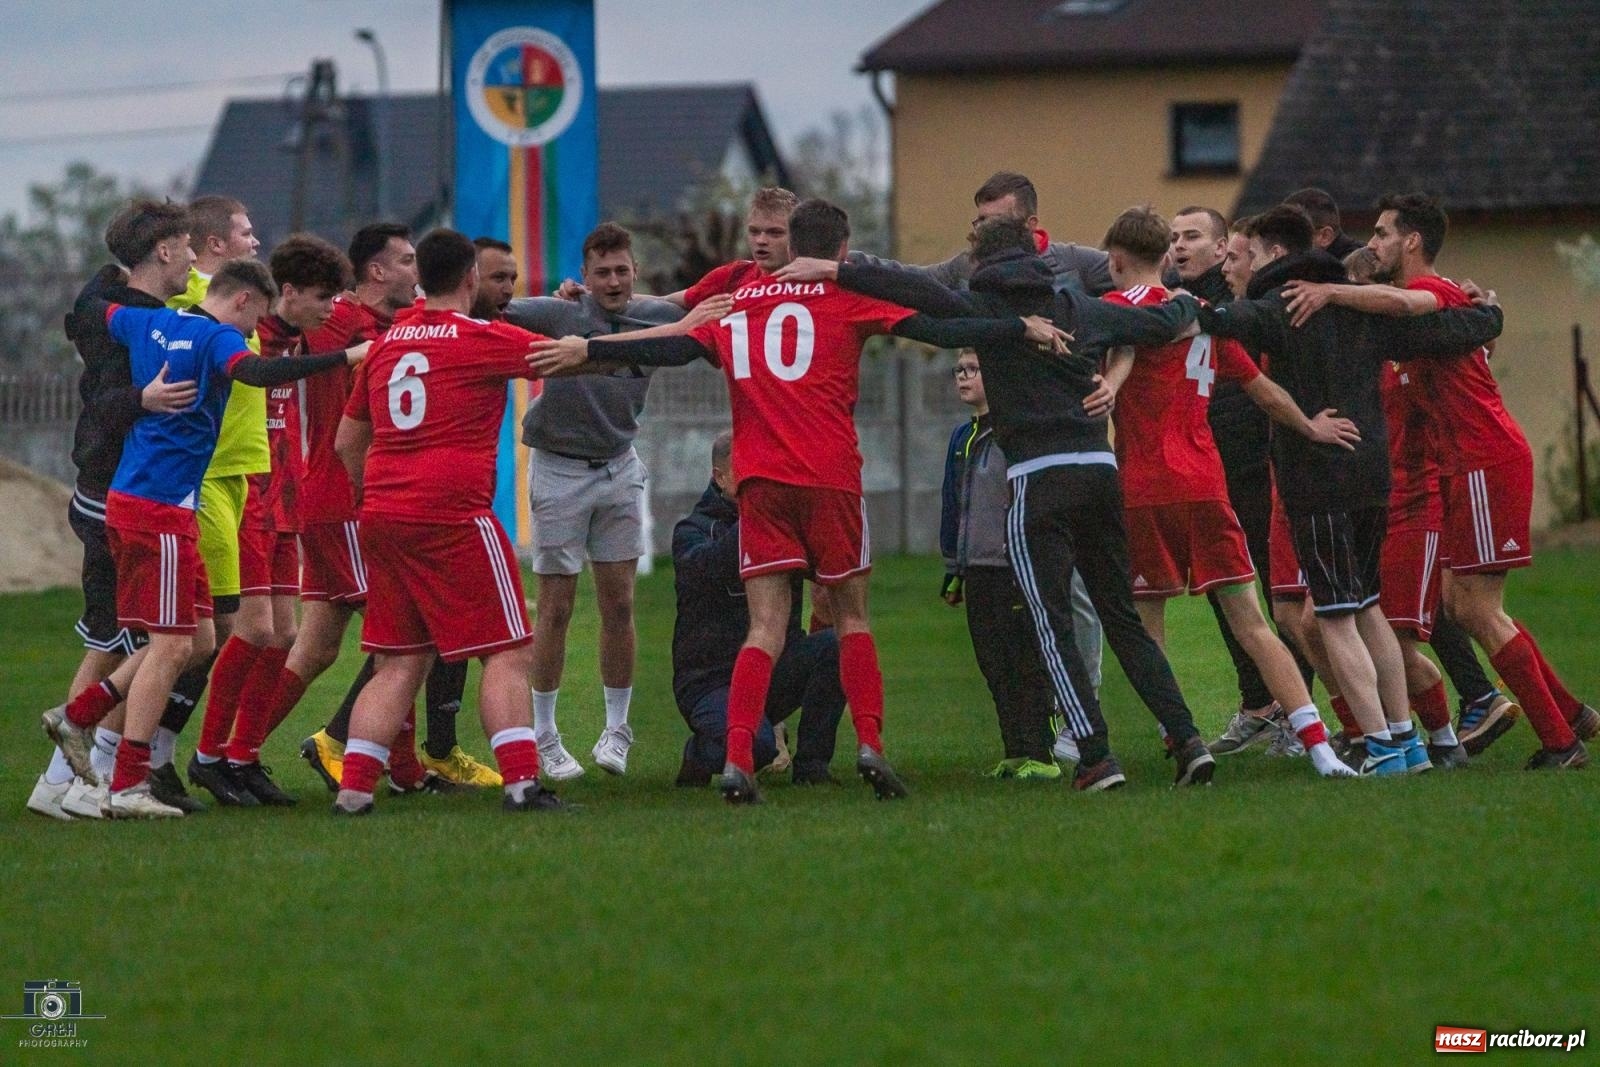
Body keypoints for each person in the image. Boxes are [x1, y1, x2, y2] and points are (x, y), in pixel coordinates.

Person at [530, 199, 1067, 803]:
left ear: (790, 242)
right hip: (830, 477)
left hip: (760, 484)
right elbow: (943, 328)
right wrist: (1019, 327)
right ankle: (870, 745)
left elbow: (671, 346)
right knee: (852, 617)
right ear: (840, 252)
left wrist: (591, 349)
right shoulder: (848, 295)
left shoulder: (741, 304)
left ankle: (737, 759)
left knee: (764, 626)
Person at [775, 216, 1217, 792]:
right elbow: (1157, 323)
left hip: (1038, 477)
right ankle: (1188, 740)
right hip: (1100, 472)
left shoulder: (985, 312)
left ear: (983, 262)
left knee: (1050, 619)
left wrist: (838, 269)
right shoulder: (1076, 304)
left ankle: (1096, 757)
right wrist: (1188, 305)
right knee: (1122, 617)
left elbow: (918, 292)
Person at [1278, 194, 1595, 768]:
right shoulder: (1437, 309)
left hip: (1484, 458)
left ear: (1412, 241)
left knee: (1475, 608)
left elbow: (1403, 304)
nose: (1372, 243)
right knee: (1460, 602)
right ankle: (1570, 715)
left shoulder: (1439, 293)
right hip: (1464, 465)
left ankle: (1559, 742)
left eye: (1380, 233)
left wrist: (1329, 292)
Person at [42, 259, 366, 817]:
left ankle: (76, 717)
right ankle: (128, 786)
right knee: (170, 647)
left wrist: (115, 268)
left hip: (150, 503)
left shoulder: (151, 322)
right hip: (158, 506)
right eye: (257, 319)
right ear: (243, 302)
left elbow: (93, 311)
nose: (254, 332)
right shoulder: (217, 337)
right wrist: (343, 357)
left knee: (197, 642)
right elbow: (255, 373)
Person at [1195, 203, 1508, 775]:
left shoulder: (1281, 307)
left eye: (1253, 251)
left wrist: (1175, 306)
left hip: (1319, 481)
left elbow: (1216, 323)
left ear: (1275, 254)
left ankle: (1383, 747)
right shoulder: (1364, 310)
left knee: (1335, 617)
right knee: (1367, 611)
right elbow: (1449, 330)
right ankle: (1408, 743)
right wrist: (1490, 314)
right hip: (1372, 479)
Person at [329, 227, 589, 814]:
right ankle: (523, 785)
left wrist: (372, 494)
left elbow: (348, 441)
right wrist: (639, 336)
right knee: (506, 649)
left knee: (399, 662)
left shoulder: (388, 344)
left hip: (384, 515)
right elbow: (567, 358)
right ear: (471, 278)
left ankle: (353, 792)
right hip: (451, 515)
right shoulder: (481, 337)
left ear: (422, 278)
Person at [1094, 206, 1356, 777]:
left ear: (1115, 261)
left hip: (1143, 488)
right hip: (1207, 485)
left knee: (1147, 627)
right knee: (1254, 624)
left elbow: (1111, 350)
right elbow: (1263, 390)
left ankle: (1182, 740)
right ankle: (1320, 749)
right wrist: (1312, 425)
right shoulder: (1207, 318)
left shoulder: (1115, 313)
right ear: (1165, 258)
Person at [504, 223, 698, 779]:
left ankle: (617, 731)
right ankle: (544, 734)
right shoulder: (561, 313)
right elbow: (493, 308)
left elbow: (700, 314)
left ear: (635, 273)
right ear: (583, 278)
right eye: (601, 272)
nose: (612, 281)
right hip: (559, 468)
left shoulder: (657, 318)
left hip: (618, 466)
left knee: (619, 606)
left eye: (621, 270)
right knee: (558, 607)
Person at [293, 224, 480, 793]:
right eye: (406, 261)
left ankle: (231, 755)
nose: (417, 273)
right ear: (377, 272)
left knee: (316, 645)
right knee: (412, 634)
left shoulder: (388, 329)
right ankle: (343, 743)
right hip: (346, 502)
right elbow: (344, 432)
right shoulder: (339, 325)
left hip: (349, 504)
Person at [27, 201, 197, 821]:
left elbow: (94, 296)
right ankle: (66, 781)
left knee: (161, 640)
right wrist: (144, 399)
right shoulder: (129, 321)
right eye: (187, 245)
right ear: (163, 251)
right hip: (111, 495)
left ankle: (82, 775)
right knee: (117, 640)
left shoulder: (112, 303)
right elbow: (100, 407)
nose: (195, 258)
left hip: (131, 493)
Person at [186, 234, 351, 806]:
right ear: (289, 293)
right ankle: (208, 756)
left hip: (289, 498)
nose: (331, 308)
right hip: (248, 493)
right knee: (255, 629)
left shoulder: (301, 337)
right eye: (322, 297)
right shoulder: (248, 333)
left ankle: (244, 756)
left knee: (284, 634)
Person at [1170, 206, 1318, 748]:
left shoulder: (1240, 299)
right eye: (1172, 238)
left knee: (1278, 590)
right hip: (1205, 469)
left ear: (1221, 248)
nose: (1179, 246)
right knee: (1222, 589)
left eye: (1192, 236)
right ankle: (1258, 704)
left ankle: (1297, 712)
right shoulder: (1168, 299)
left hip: (1257, 465)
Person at [146, 197, 265, 803]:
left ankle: (153, 753)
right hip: (206, 479)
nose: (254, 240)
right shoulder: (198, 296)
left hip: (241, 476)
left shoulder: (245, 293)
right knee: (203, 630)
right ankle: (144, 752)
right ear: (215, 244)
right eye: (245, 232)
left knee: (217, 630)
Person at [672, 431, 845, 785]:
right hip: (711, 681)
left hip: (776, 668)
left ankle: (812, 768)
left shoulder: (783, 525)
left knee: (837, 647)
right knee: (759, 749)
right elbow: (704, 569)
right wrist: (755, 520)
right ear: (720, 477)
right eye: (748, 467)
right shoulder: (693, 531)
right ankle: (699, 753)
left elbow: (828, 567)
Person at [940, 350, 1060, 778]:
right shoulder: (962, 438)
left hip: (1013, 566)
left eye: (973, 369)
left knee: (1024, 659)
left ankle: (1043, 753)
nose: (963, 378)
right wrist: (955, 568)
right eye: (959, 371)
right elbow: (953, 506)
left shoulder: (1016, 431)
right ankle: (1014, 747)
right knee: (993, 662)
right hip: (977, 568)